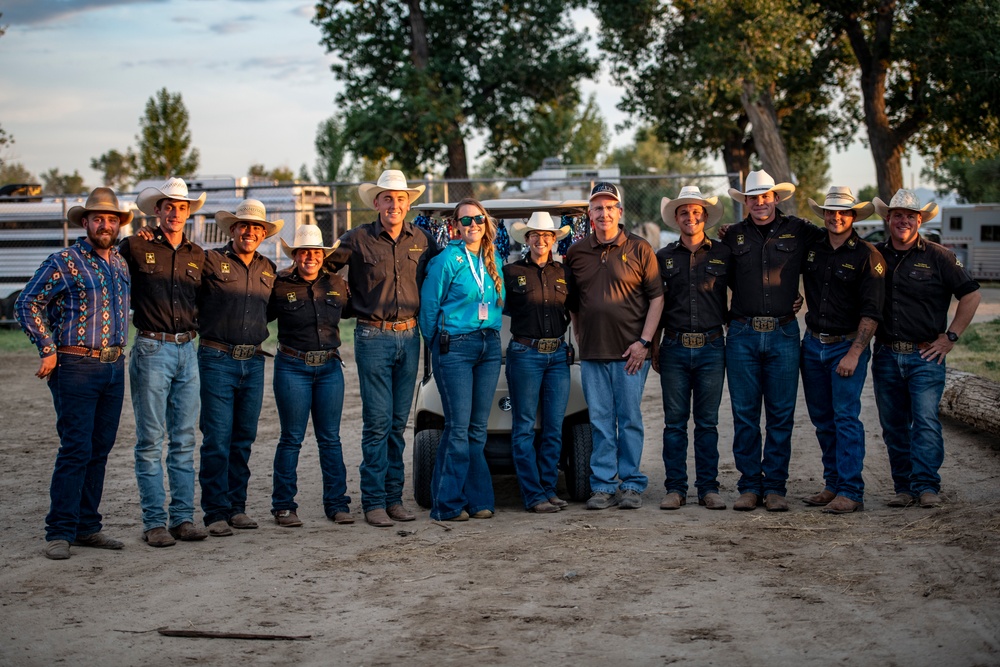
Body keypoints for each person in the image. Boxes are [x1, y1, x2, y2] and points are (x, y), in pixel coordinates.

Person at [15, 187, 132, 560]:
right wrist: (47, 348)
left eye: (112, 219)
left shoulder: (120, 263)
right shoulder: (64, 260)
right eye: (98, 218)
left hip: (114, 366)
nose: (105, 224)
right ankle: (60, 530)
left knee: (100, 448)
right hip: (76, 365)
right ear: (85, 222)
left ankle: (87, 526)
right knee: (77, 448)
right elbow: (27, 301)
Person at [325, 170, 436, 528]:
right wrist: (343, 302)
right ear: (376, 203)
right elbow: (323, 269)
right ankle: (373, 501)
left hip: (410, 335)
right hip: (373, 336)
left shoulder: (421, 238)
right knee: (375, 423)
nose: (394, 204)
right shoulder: (356, 239)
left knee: (396, 424)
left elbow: (438, 276)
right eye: (387, 198)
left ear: (408, 204)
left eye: (400, 199)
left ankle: (394, 499)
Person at [870, 189, 981, 509]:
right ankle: (903, 487)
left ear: (919, 220)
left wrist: (951, 337)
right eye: (897, 215)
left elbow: (971, 295)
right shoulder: (874, 255)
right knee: (893, 425)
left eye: (910, 216)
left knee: (926, 421)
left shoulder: (940, 256)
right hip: (887, 353)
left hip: (925, 355)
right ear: (887, 219)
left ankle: (927, 485)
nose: (903, 220)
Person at [723, 170, 825, 512]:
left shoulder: (800, 230)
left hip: (783, 332)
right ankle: (750, 486)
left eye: (765, 197)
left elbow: (835, 247)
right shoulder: (732, 236)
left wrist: (803, 295)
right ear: (746, 202)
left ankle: (776, 487)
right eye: (753, 198)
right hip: (741, 334)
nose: (759, 203)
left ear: (776, 198)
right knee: (745, 414)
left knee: (781, 414)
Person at [120, 178, 209, 547]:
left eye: (182, 207)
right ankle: (155, 521)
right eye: (168, 206)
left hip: (188, 349)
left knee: (186, 438)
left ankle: (183, 519)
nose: (175, 212)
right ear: (157, 210)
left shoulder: (197, 254)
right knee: (151, 439)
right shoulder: (135, 246)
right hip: (152, 348)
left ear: (189, 212)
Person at [565, 182, 664, 510]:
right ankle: (604, 485)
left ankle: (632, 483)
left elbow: (657, 298)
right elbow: (575, 302)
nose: (603, 213)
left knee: (630, 418)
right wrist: (580, 334)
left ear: (619, 212)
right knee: (600, 420)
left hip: (630, 354)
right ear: (590, 214)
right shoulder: (577, 252)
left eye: (609, 207)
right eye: (597, 208)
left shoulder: (640, 249)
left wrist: (644, 343)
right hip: (594, 353)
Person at [799, 187, 885, 514]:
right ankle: (833, 483)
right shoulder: (814, 249)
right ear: (823, 215)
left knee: (846, 417)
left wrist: (855, 352)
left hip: (847, 346)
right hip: (813, 344)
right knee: (823, 420)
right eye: (831, 212)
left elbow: (872, 311)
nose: (836, 217)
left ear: (853, 217)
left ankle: (851, 489)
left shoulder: (867, 255)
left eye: (843, 213)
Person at [197, 199, 281, 537]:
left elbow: (271, 311)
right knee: (217, 437)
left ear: (263, 233)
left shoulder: (269, 269)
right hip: (217, 357)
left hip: (254, 360)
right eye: (243, 225)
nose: (249, 231)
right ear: (232, 229)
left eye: (256, 227)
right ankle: (215, 511)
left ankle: (237, 507)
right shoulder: (210, 261)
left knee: (243, 437)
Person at [419, 198, 505, 522]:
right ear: (455, 226)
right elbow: (428, 311)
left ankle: (477, 500)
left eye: (478, 219)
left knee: (475, 430)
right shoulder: (447, 260)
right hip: (454, 348)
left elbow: (498, 304)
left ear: (486, 224)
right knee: (457, 428)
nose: (472, 225)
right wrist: (438, 343)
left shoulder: (492, 257)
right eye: (465, 220)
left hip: (489, 346)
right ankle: (447, 505)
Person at [268, 225, 353, 527]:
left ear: (323, 255)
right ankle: (283, 506)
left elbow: (351, 311)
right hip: (292, 366)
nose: (309, 257)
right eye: (303, 252)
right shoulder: (278, 286)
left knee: (330, 438)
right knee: (291, 438)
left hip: (329, 368)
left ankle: (337, 503)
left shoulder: (337, 285)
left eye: (315, 252)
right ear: (295, 255)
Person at [652, 186, 729, 511]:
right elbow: (654, 304)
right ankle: (676, 488)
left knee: (708, 422)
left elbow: (748, 289)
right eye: (684, 212)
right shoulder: (663, 258)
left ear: (706, 217)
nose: (691, 217)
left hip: (712, 347)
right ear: (677, 218)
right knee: (674, 422)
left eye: (696, 212)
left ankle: (708, 487)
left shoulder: (724, 254)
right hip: (674, 348)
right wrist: (653, 344)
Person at [503, 211, 574, 514]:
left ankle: (548, 489)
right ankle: (533, 495)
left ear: (554, 239)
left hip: (557, 355)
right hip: (525, 354)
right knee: (524, 427)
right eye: (535, 234)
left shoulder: (564, 273)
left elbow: (574, 311)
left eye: (547, 235)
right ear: (527, 238)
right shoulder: (510, 272)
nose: (541, 240)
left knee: (554, 427)